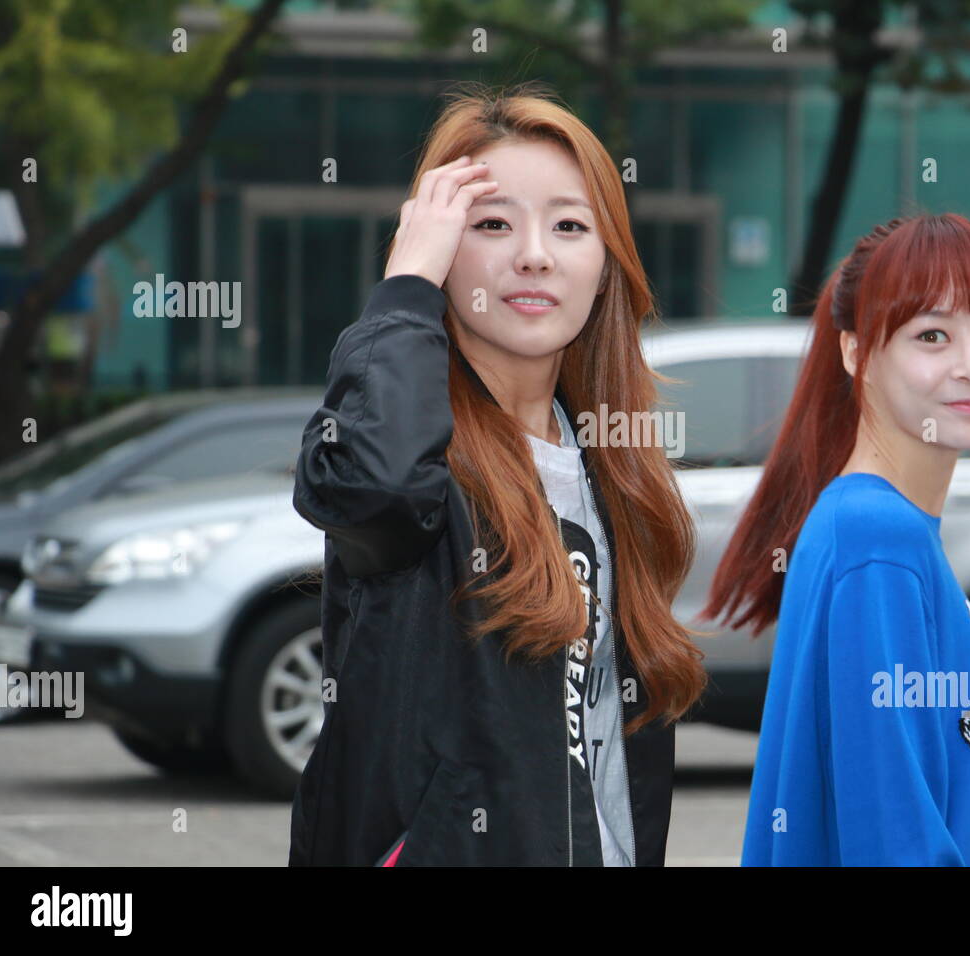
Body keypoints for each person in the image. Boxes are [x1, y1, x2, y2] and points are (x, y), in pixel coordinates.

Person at [289, 83, 707, 866]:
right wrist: (404, 287)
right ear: (441, 251)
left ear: (605, 266)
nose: (534, 254)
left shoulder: (613, 473)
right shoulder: (416, 456)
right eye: (490, 224)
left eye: (570, 225)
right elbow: (376, 490)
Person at [703, 214, 970, 865]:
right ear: (855, 352)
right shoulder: (877, 539)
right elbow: (891, 840)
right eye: (931, 335)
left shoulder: (876, 527)